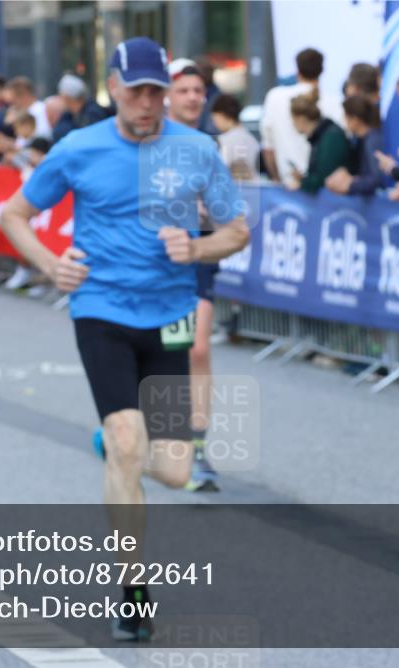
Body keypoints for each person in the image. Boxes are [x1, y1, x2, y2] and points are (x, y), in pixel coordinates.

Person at [0, 37, 248, 640]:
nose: (147, 102)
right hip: (102, 308)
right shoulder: (78, 147)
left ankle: (114, 444)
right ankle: (133, 592)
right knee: (129, 438)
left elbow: (237, 230)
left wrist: (198, 248)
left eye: (156, 91)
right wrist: (49, 263)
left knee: (173, 470)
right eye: (136, 91)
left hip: (171, 315)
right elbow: (13, 214)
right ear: (113, 88)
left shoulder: (196, 149)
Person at [167, 59, 223, 492]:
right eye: (183, 90)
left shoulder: (214, 144)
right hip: (153, 259)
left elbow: (238, 211)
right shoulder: (147, 142)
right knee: (160, 351)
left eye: (198, 91)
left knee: (197, 348)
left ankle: (196, 448)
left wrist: (211, 210)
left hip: (199, 254)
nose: (192, 98)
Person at [260, 47, 339, 187]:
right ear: (321, 70)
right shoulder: (335, 103)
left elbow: (268, 149)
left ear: (298, 70)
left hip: (289, 186)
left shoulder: (275, 97)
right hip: (324, 188)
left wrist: (277, 181)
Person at [287, 90, 350, 194]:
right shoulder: (321, 136)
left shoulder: (331, 137)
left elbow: (324, 177)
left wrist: (303, 183)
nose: (292, 123)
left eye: (292, 119)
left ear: (301, 119)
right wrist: (304, 179)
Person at [325, 95, 383, 195]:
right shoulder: (358, 140)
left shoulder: (372, 141)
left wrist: (350, 184)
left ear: (355, 119)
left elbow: (376, 179)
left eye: (346, 117)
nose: (344, 121)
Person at [210, 93, 260, 181]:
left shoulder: (225, 139)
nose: (215, 124)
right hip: (253, 185)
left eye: (214, 119)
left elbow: (221, 168)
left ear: (222, 115)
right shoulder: (251, 138)